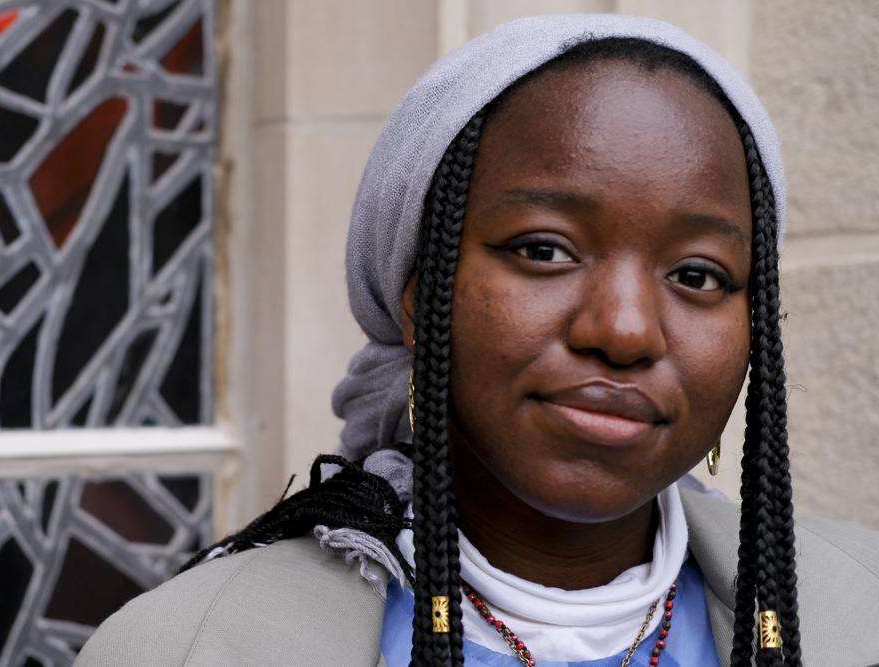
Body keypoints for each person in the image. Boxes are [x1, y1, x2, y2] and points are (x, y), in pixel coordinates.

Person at [76, 14, 879, 667]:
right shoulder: (186, 648)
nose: (626, 329)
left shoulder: (859, 612)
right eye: (543, 250)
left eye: (699, 275)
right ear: (417, 295)